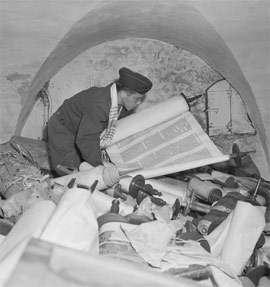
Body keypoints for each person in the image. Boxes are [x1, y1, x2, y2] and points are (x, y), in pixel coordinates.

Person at [47, 67, 152, 176]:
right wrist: (101, 165)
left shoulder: (118, 104)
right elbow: (86, 139)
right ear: (124, 93)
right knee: (72, 173)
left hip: (80, 129)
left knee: (85, 167)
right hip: (63, 129)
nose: (138, 103)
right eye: (137, 98)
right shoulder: (99, 104)